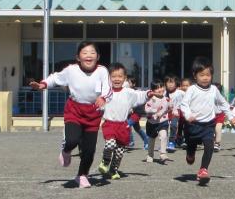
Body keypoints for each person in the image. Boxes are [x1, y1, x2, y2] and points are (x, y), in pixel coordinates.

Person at [29, 41, 110, 189]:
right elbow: (55, 78)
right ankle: (66, 151)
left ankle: (82, 175)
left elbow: (108, 89)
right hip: (74, 110)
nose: (88, 55)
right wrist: (43, 84)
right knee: (72, 139)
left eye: (92, 53)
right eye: (84, 53)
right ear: (78, 57)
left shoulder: (102, 71)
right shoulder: (71, 70)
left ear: (97, 56)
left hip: (93, 113)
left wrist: (103, 98)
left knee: (89, 150)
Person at [174, 58, 230, 185]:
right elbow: (184, 104)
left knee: (209, 146)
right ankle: (190, 153)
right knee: (191, 147)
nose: (205, 78)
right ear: (195, 75)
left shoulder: (214, 90)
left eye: (208, 75)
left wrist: (230, 115)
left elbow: (223, 103)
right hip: (193, 125)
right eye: (202, 75)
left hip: (208, 124)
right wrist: (188, 115)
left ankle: (203, 170)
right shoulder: (192, 89)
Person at [97, 64, 151, 180]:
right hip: (109, 124)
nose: (117, 79)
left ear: (125, 78)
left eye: (120, 76)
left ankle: (113, 169)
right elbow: (97, 104)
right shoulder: (105, 92)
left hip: (123, 125)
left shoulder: (128, 92)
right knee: (110, 144)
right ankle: (105, 163)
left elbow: (140, 96)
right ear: (108, 78)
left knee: (119, 152)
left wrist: (148, 93)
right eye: (113, 76)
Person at [144, 79, 171, 163]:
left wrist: (173, 109)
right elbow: (146, 109)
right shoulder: (151, 99)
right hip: (152, 123)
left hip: (163, 122)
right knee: (151, 139)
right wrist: (154, 110)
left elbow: (170, 107)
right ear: (153, 90)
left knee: (163, 135)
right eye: (157, 88)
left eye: (161, 87)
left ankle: (163, 154)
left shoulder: (166, 99)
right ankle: (150, 154)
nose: (160, 89)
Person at [165, 75, 182, 152]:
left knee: (173, 126)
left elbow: (189, 97)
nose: (170, 84)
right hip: (165, 113)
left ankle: (172, 142)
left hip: (176, 112)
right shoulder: (164, 92)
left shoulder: (180, 92)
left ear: (176, 83)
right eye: (168, 82)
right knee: (164, 128)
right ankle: (164, 144)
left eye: (172, 82)